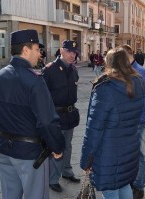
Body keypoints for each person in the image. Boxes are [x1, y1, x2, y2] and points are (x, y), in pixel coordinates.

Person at [0, 29, 65, 199]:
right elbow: (47, 121)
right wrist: (57, 147)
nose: (40, 54)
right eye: (37, 49)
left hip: (3, 151)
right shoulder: (35, 81)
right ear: (26, 50)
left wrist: (2, 140)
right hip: (30, 155)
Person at [80, 47, 144, 199]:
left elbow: (93, 130)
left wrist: (86, 161)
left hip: (108, 153)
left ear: (108, 63)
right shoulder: (138, 82)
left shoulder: (105, 88)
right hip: (129, 149)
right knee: (123, 186)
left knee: (111, 192)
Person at [42, 40, 81, 193]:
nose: (72, 55)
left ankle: (67, 171)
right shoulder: (49, 70)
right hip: (56, 115)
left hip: (70, 114)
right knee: (57, 147)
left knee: (68, 145)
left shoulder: (73, 69)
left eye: (74, 52)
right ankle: (53, 179)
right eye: (69, 51)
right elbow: (42, 96)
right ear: (61, 51)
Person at [121, 45, 145, 199]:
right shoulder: (122, 72)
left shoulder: (141, 72)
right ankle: (129, 181)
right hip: (125, 122)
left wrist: (129, 109)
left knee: (138, 154)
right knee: (127, 154)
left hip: (139, 121)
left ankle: (139, 186)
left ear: (128, 56)